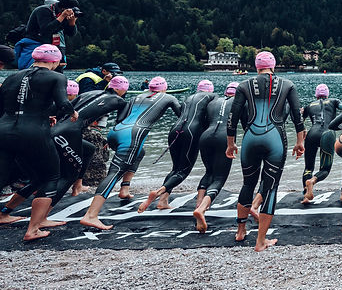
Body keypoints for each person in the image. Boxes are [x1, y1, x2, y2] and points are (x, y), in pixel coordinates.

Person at [0, 76, 128, 224]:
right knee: (66, 176)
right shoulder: (120, 101)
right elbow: (122, 123)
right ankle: (41, 219)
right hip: (68, 134)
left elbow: (61, 108)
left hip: (54, 131)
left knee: (88, 149)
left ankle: (5, 212)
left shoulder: (89, 93)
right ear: (122, 90)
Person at [226, 51, 305, 252]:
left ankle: (241, 231)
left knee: (247, 184)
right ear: (274, 65)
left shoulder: (243, 85)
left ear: (256, 66)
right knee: (270, 188)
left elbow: (233, 117)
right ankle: (261, 241)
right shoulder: (288, 85)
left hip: (251, 138)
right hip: (275, 139)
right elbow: (297, 115)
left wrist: (231, 143)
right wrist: (300, 142)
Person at [79, 76, 181, 230]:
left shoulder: (136, 97)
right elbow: (182, 116)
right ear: (164, 88)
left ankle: (124, 189)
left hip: (115, 132)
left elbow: (120, 118)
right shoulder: (168, 97)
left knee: (139, 153)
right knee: (115, 172)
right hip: (132, 135)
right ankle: (91, 215)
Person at [0, 45, 76, 240]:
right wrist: (72, 113)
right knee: (51, 176)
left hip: (4, 130)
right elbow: (63, 104)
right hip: (33, 132)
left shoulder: (12, 77)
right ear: (55, 61)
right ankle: (33, 229)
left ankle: (2, 214)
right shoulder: (56, 77)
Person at [138, 80, 217, 213]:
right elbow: (212, 119)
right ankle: (158, 192)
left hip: (175, 130)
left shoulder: (189, 97)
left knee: (175, 168)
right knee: (183, 170)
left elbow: (181, 113)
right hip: (192, 132)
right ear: (211, 90)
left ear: (198, 89)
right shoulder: (213, 97)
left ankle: (163, 201)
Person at [191, 82, 238, 233]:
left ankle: (198, 206)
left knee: (209, 172)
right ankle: (202, 209)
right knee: (219, 178)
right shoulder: (239, 102)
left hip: (206, 137)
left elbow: (202, 120)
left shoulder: (213, 101)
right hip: (224, 137)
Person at [300, 83, 342, 204]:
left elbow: (299, 120)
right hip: (327, 134)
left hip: (311, 134)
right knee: (325, 169)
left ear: (316, 95)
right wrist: (341, 126)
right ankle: (313, 181)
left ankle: (305, 195)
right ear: (327, 94)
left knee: (308, 167)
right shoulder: (334, 101)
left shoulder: (309, 105)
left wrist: (303, 130)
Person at [15, 0, 79, 69]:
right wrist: (62, 16)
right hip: (35, 43)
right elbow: (46, 30)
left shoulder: (64, 14)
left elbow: (71, 34)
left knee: (57, 70)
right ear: (63, 9)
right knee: (32, 69)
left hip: (54, 45)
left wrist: (72, 23)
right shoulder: (43, 10)